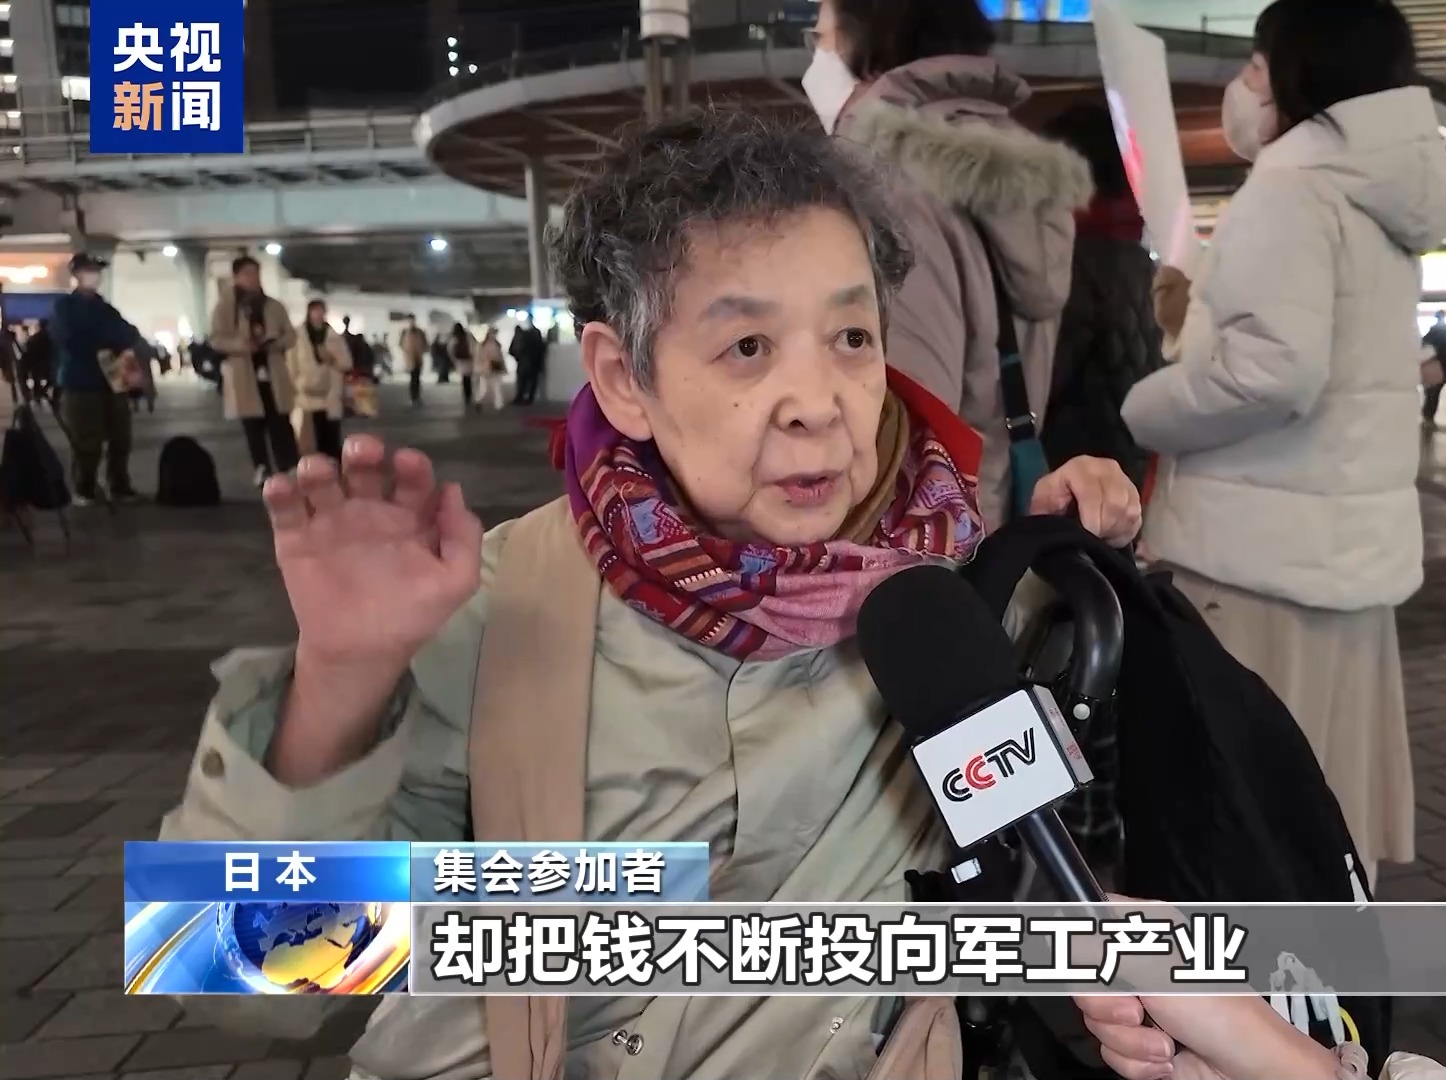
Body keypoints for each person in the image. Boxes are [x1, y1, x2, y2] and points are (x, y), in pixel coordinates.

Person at [157, 108, 1141, 1078]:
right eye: (748, 347)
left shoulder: (947, 601)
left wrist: (1063, 556)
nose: (818, 403)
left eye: (851, 336)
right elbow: (245, 979)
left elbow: (1045, 879)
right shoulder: (502, 610)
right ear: (624, 378)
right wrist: (340, 678)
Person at [1123, 0, 1446, 883]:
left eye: (1257, 66)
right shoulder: (1379, 194)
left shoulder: (1291, 184)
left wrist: (1146, 408)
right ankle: (1329, 966)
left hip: (1256, 563)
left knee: (1250, 807)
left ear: (1301, 72)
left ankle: (1259, 970)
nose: (1243, 86)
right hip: (1345, 563)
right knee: (1325, 805)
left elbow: (1273, 373)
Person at [804, 0, 1093, 529]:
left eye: (820, 39)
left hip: (918, 538)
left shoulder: (883, 178)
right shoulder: (1013, 164)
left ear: (864, 43)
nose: (814, 58)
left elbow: (905, 418)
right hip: (994, 513)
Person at [1041, 100, 1164, 493]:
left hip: (1074, 475)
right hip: (1128, 472)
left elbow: (1044, 383)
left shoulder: (1072, 265)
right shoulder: (1141, 263)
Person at [51, 253, 145, 504]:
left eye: (97, 270)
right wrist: (106, 339)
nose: (95, 275)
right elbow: (71, 339)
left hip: (113, 378)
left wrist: (103, 337)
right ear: (76, 274)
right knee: (86, 440)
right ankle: (85, 487)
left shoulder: (105, 308)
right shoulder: (65, 307)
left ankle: (119, 485)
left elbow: (129, 333)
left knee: (121, 436)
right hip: (80, 380)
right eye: (89, 270)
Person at [209, 255, 300, 487]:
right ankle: (261, 467)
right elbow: (216, 339)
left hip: (273, 371)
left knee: (280, 421)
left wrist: (275, 342)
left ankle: (289, 465)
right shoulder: (225, 307)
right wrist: (241, 345)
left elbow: (290, 335)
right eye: (247, 273)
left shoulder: (274, 306)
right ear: (236, 277)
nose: (253, 278)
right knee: (253, 425)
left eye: (256, 273)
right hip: (245, 374)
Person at [288, 299, 354, 460]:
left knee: (331, 435)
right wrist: (295, 384)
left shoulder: (333, 336)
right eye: (315, 311)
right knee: (310, 437)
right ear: (309, 313)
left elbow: (347, 363)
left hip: (331, 392)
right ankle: (314, 466)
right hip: (307, 393)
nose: (318, 314)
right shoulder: (298, 335)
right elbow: (291, 364)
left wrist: (331, 359)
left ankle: (333, 465)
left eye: (321, 311)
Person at [1420, 311, 1446, 429]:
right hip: (1445, 368)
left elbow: (1422, 350)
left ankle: (1427, 414)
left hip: (1430, 367)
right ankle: (1429, 415)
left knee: (1429, 392)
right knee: (1435, 392)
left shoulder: (1430, 335)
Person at [509, 319, 547, 404]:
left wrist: (518, 358)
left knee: (522, 381)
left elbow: (513, 350)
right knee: (532, 381)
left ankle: (520, 397)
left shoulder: (521, 335)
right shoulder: (536, 336)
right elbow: (542, 349)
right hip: (534, 363)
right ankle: (529, 398)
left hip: (523, 363)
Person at [475, 325, 507, 410]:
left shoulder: (497, 344)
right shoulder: (483, 345)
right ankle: (479, 400)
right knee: (484, 389)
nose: (494, 335)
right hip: (486, 369)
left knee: (497, 387)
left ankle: (499, 404)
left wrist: (503, 367)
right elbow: (479, 358)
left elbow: (500, 357)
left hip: (495, 368)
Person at [398, 317, 429, 406]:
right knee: (413, 378)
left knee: (417, 378)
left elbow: (425, 344)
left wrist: (421, 350)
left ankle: (416, 397)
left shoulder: (419, 332)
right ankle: (413, 397)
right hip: (410, 359)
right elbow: (401, 344)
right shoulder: (405, 332)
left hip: (418, 358)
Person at [448, 322, 476, 411]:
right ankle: (469, 395)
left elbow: (450, 350)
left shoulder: (454, 337)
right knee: (468, 378)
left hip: (460, 361)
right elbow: (473, 346)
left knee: (464, 378)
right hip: (468, 360)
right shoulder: (468, 336)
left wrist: (454, 360)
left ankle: (467, 396)